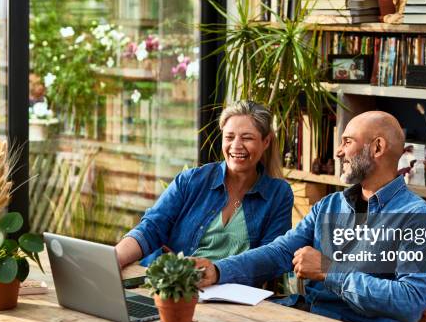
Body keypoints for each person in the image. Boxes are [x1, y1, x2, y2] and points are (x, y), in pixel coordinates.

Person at [194, 111, 426, 322]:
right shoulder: (329, 205)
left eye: (347, 142)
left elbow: (410, 302)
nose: (338, 152)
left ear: (377, 148)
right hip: (308, 319)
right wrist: (218, 270)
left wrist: (329, 271)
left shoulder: (418, 218)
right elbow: (279, 252)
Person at [115, 100, 293, 268]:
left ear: (266, 141)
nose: (236, 146)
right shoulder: (190, 181)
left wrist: (216, 272)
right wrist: (115, 259)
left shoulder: (278, 194)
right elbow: (151, 228)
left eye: (247, 138)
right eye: (229, 137)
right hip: (177, 287)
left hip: (230, 293)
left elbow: (270, 258)